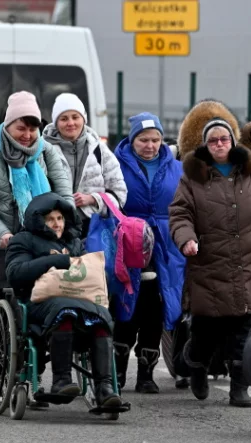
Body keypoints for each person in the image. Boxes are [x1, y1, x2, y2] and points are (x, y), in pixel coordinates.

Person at [169, 116, 251, 405]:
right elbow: (180, 214)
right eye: (213, 140)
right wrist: (186, 238)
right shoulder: (193, 176)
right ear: (205, 144)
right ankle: (197, 363)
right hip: (209, 264)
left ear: (233, 141)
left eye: (224, 139)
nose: (219, 144)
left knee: (245, 328)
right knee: (206, 331)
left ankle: (239, 387)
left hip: (249, 264)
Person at [0, 91, 72, 351]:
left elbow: (64, 197)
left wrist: (60, 230)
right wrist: (1, 233)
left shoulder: (48, 152)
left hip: (37, 243)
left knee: (34, 304)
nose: (27, 135)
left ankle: (31, 356)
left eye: (32, 129)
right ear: (8, 124)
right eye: (21, 128)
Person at [5, 192, 122, 408]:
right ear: (39, 220)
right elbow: (15, 273)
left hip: (78, 298)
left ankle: (104, 388)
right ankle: (61, 381)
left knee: (101, 316)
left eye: (59, 218)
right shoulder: (23, 240)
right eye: (50, 219)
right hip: (39, 302)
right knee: (66, 311)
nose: (57, 224)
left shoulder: (74, 242)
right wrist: (55, 260)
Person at [111, 112, 185, 393]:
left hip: (166, 245)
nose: (150, 145)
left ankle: (146, 374)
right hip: (129, 242)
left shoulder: (176, 168)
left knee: (157, 306)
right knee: (127, 303)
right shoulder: (116, 165)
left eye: (155, 139)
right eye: (143, 139)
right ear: (132, 140)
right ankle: (117, 371)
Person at [41, 92, 128, 239]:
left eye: (75, 117)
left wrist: (93, 199)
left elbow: (120, 194)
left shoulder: (100, 151)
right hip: (53, 231)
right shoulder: (43, 150)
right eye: (64, 118)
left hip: (93, 231)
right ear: (56, 123)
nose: (70, 123)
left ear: (84, 119)